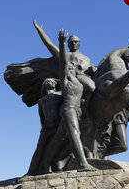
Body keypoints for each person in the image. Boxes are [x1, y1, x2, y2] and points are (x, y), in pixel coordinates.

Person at [39, 30, 96, 173]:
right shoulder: (65, 78)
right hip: (68, 109)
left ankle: (45, 162)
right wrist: (61, 44)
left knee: (58, 139)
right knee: (75, 135)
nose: (72, 66)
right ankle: (83, 164)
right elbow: (62, 59)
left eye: (76, 41)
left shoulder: (78, 81)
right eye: (69, 66)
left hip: (77, 110)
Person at [32, 20, 96, 105]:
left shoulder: (86, 58)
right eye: (71, 42)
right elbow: (49, 44)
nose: (73, 43)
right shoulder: (64, 54)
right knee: (91, 87)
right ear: (68, 44)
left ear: (79, 44)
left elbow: (94, 69)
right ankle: (84, 107)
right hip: (71, 78)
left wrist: (94, 69)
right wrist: (39, 30)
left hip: (84, 77)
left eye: (76, 41)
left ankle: (87, 107)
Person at [26, 78, 63, 175]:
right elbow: (42, 117)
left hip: (58, 126)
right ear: (45, 85)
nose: (52, 82)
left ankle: (53, 166)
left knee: (56, 147)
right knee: (40, 149)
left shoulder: (60, 94)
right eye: (49, 81)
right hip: (47, 127)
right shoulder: (41, 101)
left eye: (53, 81)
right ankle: (31, 172)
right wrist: (43, 129)